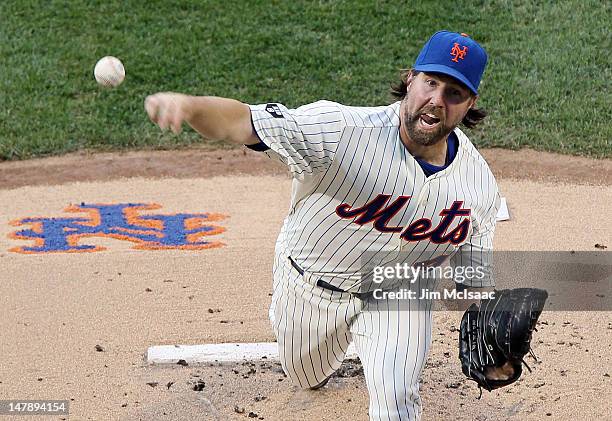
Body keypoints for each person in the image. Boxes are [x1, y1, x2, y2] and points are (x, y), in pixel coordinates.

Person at [145, 30, 501, 420]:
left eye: (454, 93)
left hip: (397, 289)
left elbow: (473, 273)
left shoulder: (477, 184)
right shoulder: (341, 131)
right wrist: (191, 107)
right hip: (311, 285)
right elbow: (244, 123)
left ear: (470, 104)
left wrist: (490, 335)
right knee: (306, 375)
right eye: (431, 83)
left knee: (398, 398)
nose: (436, 100)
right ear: (411, 79)